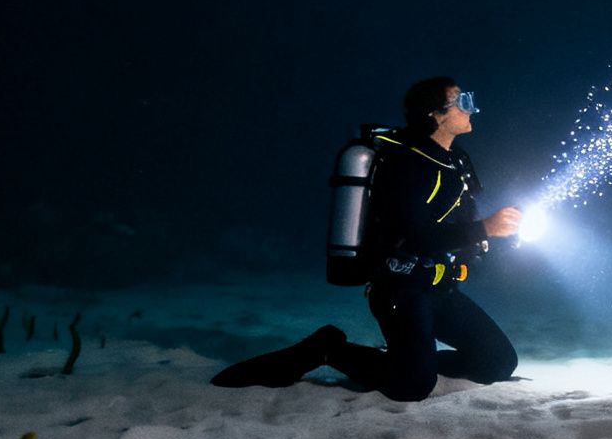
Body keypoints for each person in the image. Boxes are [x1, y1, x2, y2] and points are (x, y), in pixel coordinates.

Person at [211, 76, 523, 400]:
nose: (471, 108)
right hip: (402, 291)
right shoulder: (409, 164)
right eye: (461, 101)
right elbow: (415, 237)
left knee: (498, 362)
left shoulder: (456, 159)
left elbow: (464, 217)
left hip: (441, 288)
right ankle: (330, 350)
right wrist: (485, 228)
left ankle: (411, 361)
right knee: (413, 386)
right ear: (436, 114)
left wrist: (496, 227)